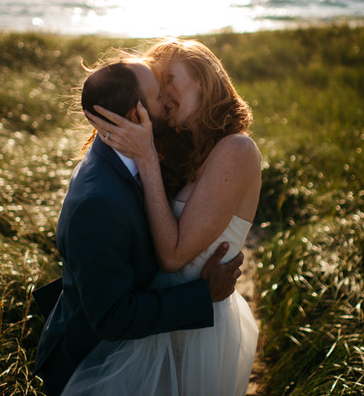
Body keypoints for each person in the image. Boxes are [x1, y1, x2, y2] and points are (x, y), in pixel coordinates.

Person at [32, 58, 244, 396]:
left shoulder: (119, 160)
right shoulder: (98, 201)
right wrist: (203, 296)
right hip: (93, 366)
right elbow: (113, 317)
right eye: (158, 95)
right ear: (136, 117)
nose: (166, 100)